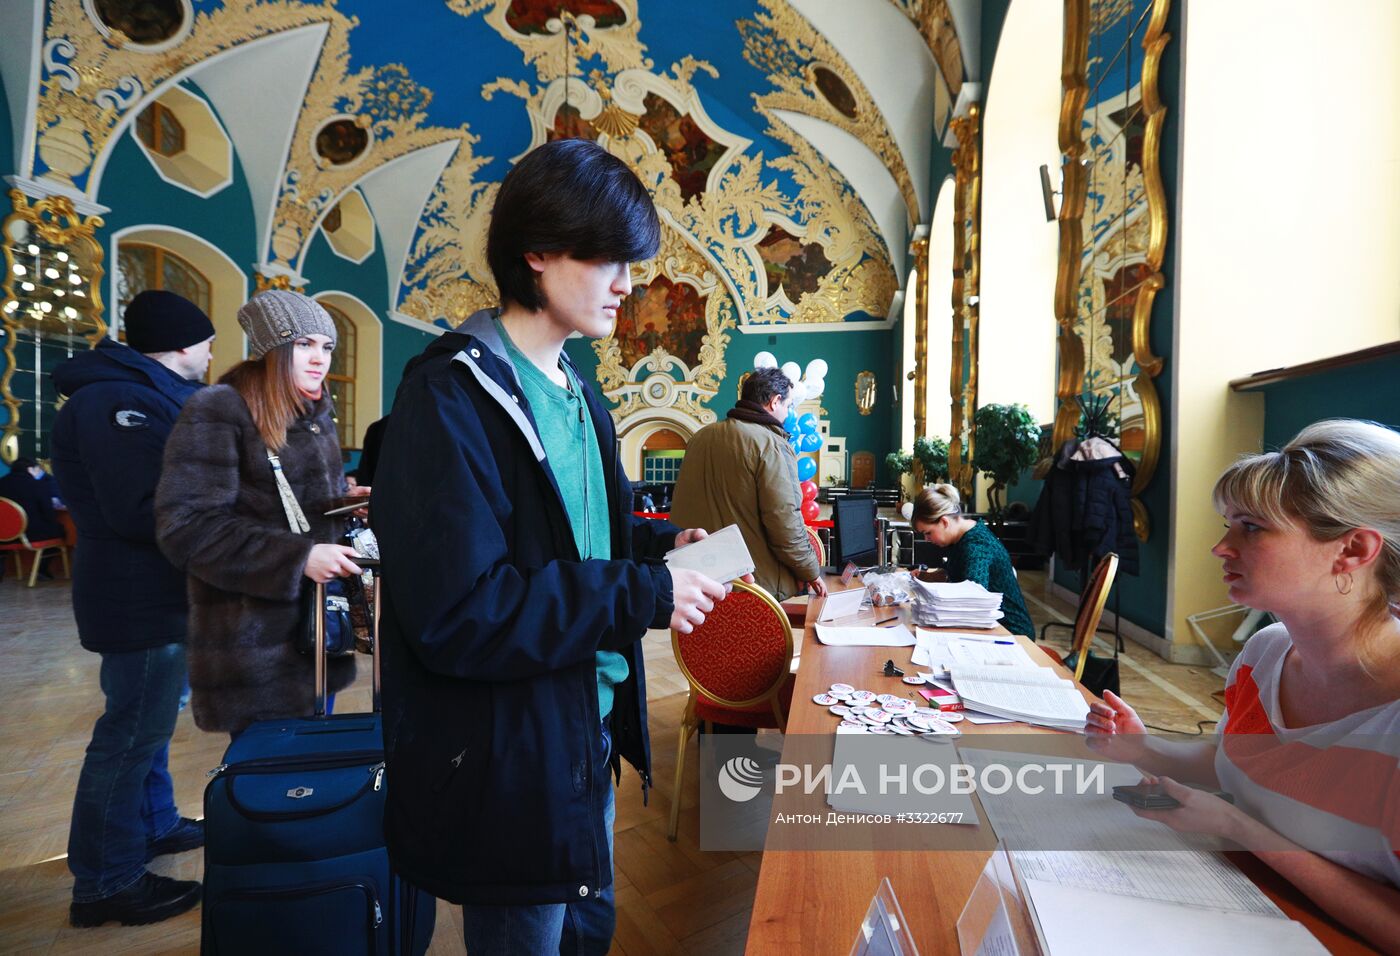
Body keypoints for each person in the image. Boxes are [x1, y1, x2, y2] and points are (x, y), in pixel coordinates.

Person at [371, 138, 731, 955]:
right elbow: (464, 610)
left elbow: (571, 532)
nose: (628, 284)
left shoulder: (580, 391)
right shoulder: (447, 400)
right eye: (608, 258)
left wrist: (660, 544)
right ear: (536, 251)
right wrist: (644, 595)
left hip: (583, 728)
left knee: (583, 938)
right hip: (509, 751)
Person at [1085, 419, 1400, 949]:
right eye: (1229, 524)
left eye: (1251, 527)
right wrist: (1144, 748)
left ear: (1352, 550)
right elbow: (1234, 761)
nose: (1221, 548)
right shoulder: (1264, 652)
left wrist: (1240, 828)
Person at [50, 289, 214, 927]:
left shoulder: (141, 396)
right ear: (177, 345)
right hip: (138, 595)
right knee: (127, 737)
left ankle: (153, 822)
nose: (208, 352)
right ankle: (105, 881)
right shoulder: (118, 400)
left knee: (148, 723)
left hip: (155, 592)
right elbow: (143, 508)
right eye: (203, 341)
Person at [155, 290, 365, 738]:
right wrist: (296, 559)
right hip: (253, 642)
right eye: (304, 344)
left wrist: (347, 501)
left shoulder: (313, 414)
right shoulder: (219, 408)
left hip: (317, 627)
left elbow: (291, 507)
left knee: (309, 772)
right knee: (271, 782)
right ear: (271, 348)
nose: (319, 359)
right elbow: (186, 526)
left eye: (326, 347)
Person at [670, 365, 827, 602]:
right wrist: (811, 572)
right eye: (788, 405)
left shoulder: (700, 437)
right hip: (752, 585)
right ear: (775, 402)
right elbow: (784, 521)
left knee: (711, 639)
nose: (788, 413)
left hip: (700, 581)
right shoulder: (771, 444)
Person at [910, 483, 1035, 638]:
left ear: (944, 522)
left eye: (928, 533)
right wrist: (930, 577)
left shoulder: (976, 545)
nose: (927, 539)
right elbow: (956, 572)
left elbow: (973, 594)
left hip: (1011, 633)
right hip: (992, 628)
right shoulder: (960, 538)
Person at [0, 456, 65, 542]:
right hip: (31, 535)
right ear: (30, 469)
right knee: (64, 529)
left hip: (4, 536)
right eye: (37, 469)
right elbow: (49, 514)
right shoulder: (38, 485)